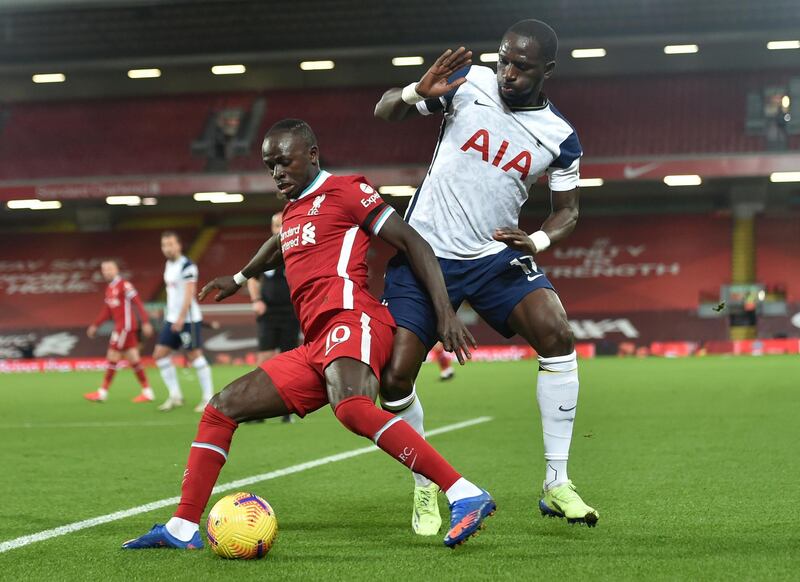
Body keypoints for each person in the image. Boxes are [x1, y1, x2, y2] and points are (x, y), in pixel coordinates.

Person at [122, 119, 495, 551]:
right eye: (269, 165)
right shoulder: (296, 210)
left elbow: (413, 242)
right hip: (315, 344)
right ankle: (182, 527)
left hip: (352, 319)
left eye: (284, 161)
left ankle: (464, 492)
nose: (277, 172)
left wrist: (445, 312)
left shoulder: (348, 190)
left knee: (352, 407)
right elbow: (279, 244)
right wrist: (241, 278)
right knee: (220, 409)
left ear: (312, 154)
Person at [374, 18, 598, 533]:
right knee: (394, 378)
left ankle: (556, 482)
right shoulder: (467, 84)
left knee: (558, 335)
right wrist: (414, 91)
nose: (508, 73)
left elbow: (568, 212)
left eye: (521, 66)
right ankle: (425, 483)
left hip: (494, 258)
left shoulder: (560, 138)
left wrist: (538, 240)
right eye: (503, 60)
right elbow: (383, 111)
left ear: (547, 70)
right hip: (425, 253)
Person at [246, 211, 299, 423]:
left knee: (289, 362)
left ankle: (287, 409)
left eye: (283, 225)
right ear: (272, 229)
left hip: (290, 313)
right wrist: (256, 300)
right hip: (268, 313)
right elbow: (251, 278)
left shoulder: (297, 251)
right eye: (276, 225)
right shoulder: (265, 253)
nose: (280, 229)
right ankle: (258, 408)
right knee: (264, 359)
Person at [154, 231, 215, 412]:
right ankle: (175, 395)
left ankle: (208, 397)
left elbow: (189, 293)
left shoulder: (187, 265)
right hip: (172, 318)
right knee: (160, 355)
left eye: (171, 244)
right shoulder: (168, 265)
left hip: (187, 319)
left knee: (194, 355)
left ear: (179, 245)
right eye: (165, 245)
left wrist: (181, 318)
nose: (168, 248)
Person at [84, 259, 154, 402]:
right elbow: (107, 311)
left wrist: (146, 322)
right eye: (104, 269)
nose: (107, 272)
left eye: (109, 268)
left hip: (125, 327)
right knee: (134, 359)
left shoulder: (124, 285)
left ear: (116, 270)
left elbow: (138, 303)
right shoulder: (109, 288)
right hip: (121, 328)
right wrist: (96, 325)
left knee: (112, 355)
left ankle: (102, 392)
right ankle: (148, 391)